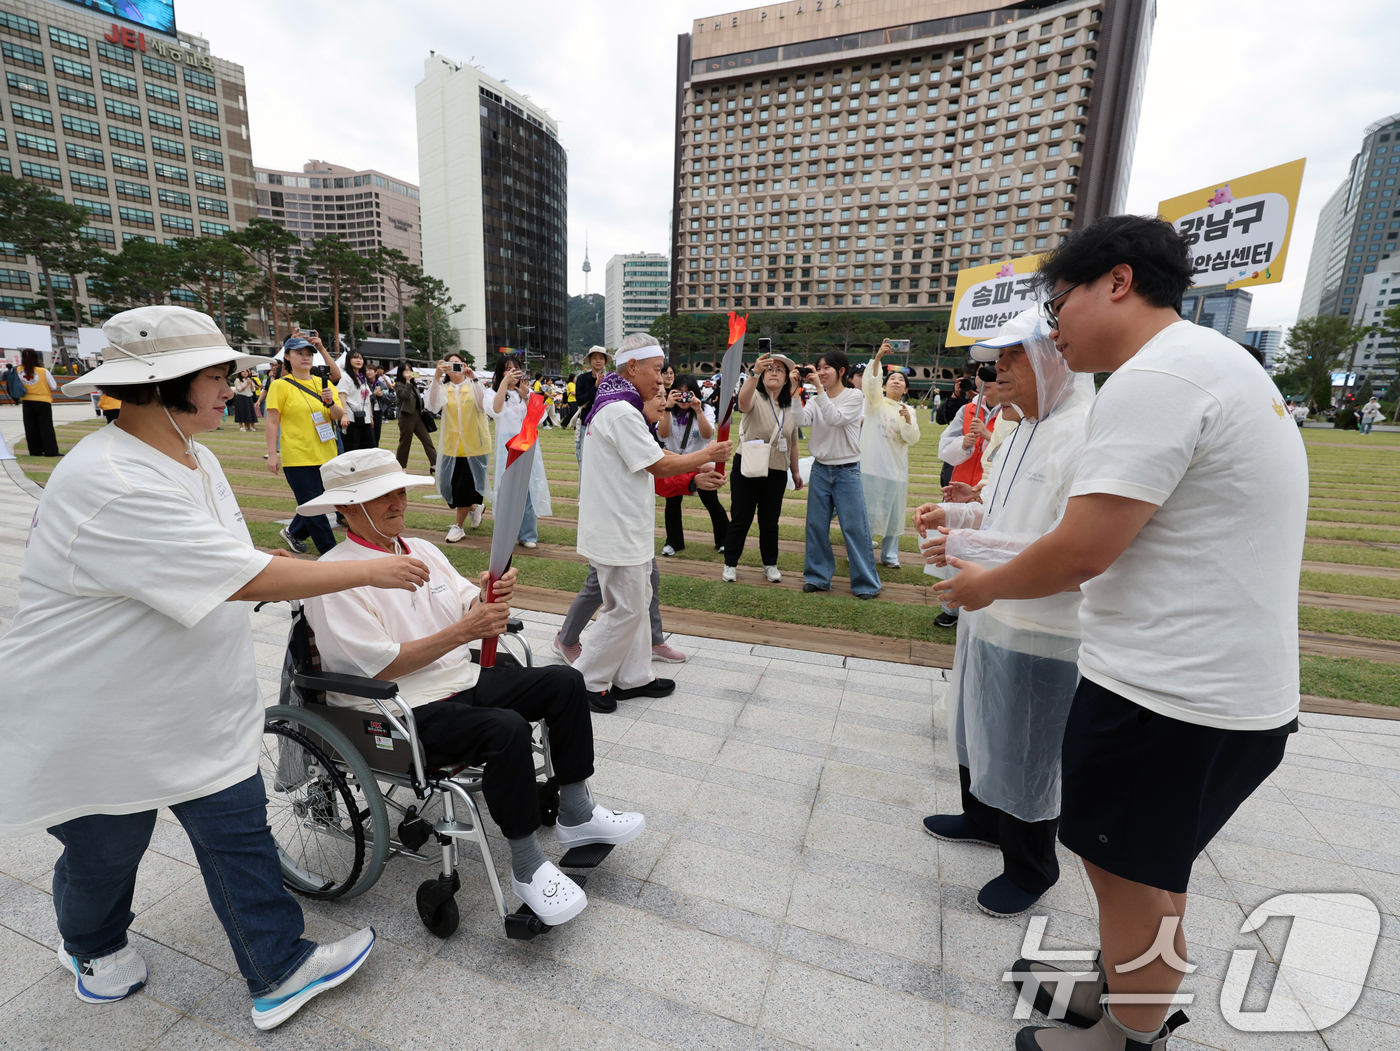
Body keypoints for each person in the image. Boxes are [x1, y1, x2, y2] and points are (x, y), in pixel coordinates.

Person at [0, 306, 439, 1029]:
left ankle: (278, 967)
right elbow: (243, 574)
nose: (231, 386)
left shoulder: (191, 455)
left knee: (237, 827)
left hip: (185, 700)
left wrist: (306, 570)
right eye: (216, 375)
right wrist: (362, 575)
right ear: (162, 385)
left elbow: (241, 559)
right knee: (109, 847)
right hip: (95, 712)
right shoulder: (112, 479)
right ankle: (90, 944)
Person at [934, 216, 1307, 1051]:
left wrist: (980, 586)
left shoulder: (1158, 376)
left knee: (1128, 875)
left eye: (1058, 301)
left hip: (1167, 691)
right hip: (1227, 691)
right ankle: (1130, 997)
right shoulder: (1216, 363)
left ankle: (1125, 1037)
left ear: (1119, 281)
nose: (1054, 324)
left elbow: (1082, 546)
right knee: (1152, 871)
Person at [298, 449, 644, 927]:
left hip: (458, 680)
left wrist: (490, 594)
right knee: (504, 729)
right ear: (348, 508)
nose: (399, 501)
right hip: (398, 709)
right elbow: (379, 669)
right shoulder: (334, 578)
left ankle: (577, 810)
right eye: (383, 496)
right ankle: (526, 866)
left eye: (400, 490)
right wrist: (464, 631)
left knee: (564, 680)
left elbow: (467, 605)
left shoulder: (422, 548)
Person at [915, 308, 1094, 921]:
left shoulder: (1086, 432)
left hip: (1042, 620)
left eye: (1014, 355)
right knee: (978, 714)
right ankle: (982, 815)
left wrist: (970, 549)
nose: (998, 369)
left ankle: (1031, 865)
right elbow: (997, 510)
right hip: (987, 603)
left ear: (1053, 357)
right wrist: (959, 518)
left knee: (1029, 744)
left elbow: (1069, 546)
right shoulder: (1019, 428)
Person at [572, 334, 731, 702]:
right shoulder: (619, 411)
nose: (662, 380)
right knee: (625, 609)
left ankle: (634, 676)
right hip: (617, 529)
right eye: (657, 371)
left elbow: (650, 462)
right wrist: (706, 453)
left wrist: (694, 474)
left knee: (637, 604)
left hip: (628, 526)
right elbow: (657, 463)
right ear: (632, 368)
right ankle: (585, 681)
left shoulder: (621, 405)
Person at [799, 350, 881, 599]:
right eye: (818, 368)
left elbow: (835, 419)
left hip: (847, 470)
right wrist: (793, 391)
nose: (821, 373)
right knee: (815, 525)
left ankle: (866, 584)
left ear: (842, 371)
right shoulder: (815, 399)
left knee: (854, 528)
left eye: (826, 368)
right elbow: (799, 420)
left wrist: (818, 391)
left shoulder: (854, 396)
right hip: (821, 468)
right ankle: (817, 577)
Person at [722, 351, 802, 582]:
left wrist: (795, 471)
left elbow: (793, 442)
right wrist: (754, 373)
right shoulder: (755, 396)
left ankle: (770, 564)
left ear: (787, 377)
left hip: (777, 469)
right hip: (748, 465)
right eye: (770, 369)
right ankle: (730, 564)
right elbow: (742, 402)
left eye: (780, 370)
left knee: (770, 521)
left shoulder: (790, 406)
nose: (774, 373)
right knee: (741, 518)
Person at [264, 336, 344, 555]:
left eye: (309, 354)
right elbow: (272, 421)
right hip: (297, 455)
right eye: (299, 353)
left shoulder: (323, 383)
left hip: (326, 454)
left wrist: (330, 402)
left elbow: (337, 415)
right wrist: (273, 454)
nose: (305, 358)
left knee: (319, 502)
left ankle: (294, 532)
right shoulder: (280, 386)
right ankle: (330, 551)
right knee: (315, 508)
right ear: (287, 357)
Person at [861, 342, 922, 568]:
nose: (897, 381)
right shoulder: (875, 403)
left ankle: (889, 555)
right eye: (892, 380)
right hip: (872, 468)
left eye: (901, 380)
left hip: (896, 471)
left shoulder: (910, 410)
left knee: (895, 513)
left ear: (906, 390)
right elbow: (870, 384)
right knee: (867, 513)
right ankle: (863, 551)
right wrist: (877, 358)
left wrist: (907, 420)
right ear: (884, 387)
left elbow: (912, 439)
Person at [657, 373, 729, 556]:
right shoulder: (666, 409)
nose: (684, 397)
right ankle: (673, 542)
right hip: (675, 462)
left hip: (701, 463)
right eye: (679, 393)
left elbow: (708, 436)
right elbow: (662, 436)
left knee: (711, 501)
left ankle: (724, 540)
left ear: (695, 394)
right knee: (672, 502)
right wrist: (667, 408)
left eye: (688, 393)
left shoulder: (706, 409)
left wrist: (698, 410)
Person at [487, 354, 552, 549]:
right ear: (500, 372)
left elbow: (538, 419)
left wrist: (527, 397)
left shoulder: (525, 393)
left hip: (527, 443)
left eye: (515, 368)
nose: (512, 372)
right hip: (506, 445)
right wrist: (503, 385)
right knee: (507, 487)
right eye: (507, 369)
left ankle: (528, 533)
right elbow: (495, 410)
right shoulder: (492, 393)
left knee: (528, 487)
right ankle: (506, 532)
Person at [426, 351, 490, 542]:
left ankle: (458, 527)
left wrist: (474, 378)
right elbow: (432, 405)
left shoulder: (473, 385)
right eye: (449, 363)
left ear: (464, 365)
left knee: (463, 488)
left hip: (475, 446)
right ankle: (474, 507)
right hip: (451, 446)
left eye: (457, 363)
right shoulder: (443, 388)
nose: (453, 366)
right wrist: (436, 376)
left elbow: (483, 405)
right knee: (447, 488)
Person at [17, 348, 61, 456]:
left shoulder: (17, 370)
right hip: (43, 401)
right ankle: (50, 451)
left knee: (30, 427)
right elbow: (53, 386)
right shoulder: (42, 371)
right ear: (37, 358)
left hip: (26, 401)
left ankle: (35, 451)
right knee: (46, 427)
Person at [394, 363, 437, 471]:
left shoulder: (414, 385)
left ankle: (435, 465)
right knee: (405, 443)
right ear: (401, 373)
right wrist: (408, 382)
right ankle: (400, 467)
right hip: (406, 416)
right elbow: (404, 395)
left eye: (409, 370)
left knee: (427, 441)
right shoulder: (399, 384)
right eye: (405, 371)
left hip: (418, 416)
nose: (408, 373)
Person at [337, 351, 377, 451]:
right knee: (352, 448)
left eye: (360, 358)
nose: (358, 360)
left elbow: (367, 398)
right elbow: (342, 397)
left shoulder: (363, 378)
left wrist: (371, 416)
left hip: (364, 418)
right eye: (355, 358)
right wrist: (344, 415)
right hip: (351, 418)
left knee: (369, 447)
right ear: (349, 360)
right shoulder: (345, 376)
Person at [573, 347, 608, 456]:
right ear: (590, 360)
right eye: (595, 358)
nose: (598, 361)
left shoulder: (609, 379)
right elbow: (579, 400)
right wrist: (595, 387)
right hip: (586, 423)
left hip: (604, 424)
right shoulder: (582, 379)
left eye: (601, 358)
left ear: (605, 361)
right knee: (584, 457)